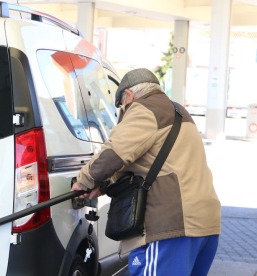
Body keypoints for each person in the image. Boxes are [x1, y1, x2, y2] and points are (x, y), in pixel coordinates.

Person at [71, 68, 221, 276]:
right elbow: (152, 161)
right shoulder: (179, 111)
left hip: (171, 225)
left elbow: (114, 153)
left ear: (129, 96)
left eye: (122, 106)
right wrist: (104, 186)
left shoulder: (144, 109)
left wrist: (84, 181)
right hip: (205, 224)